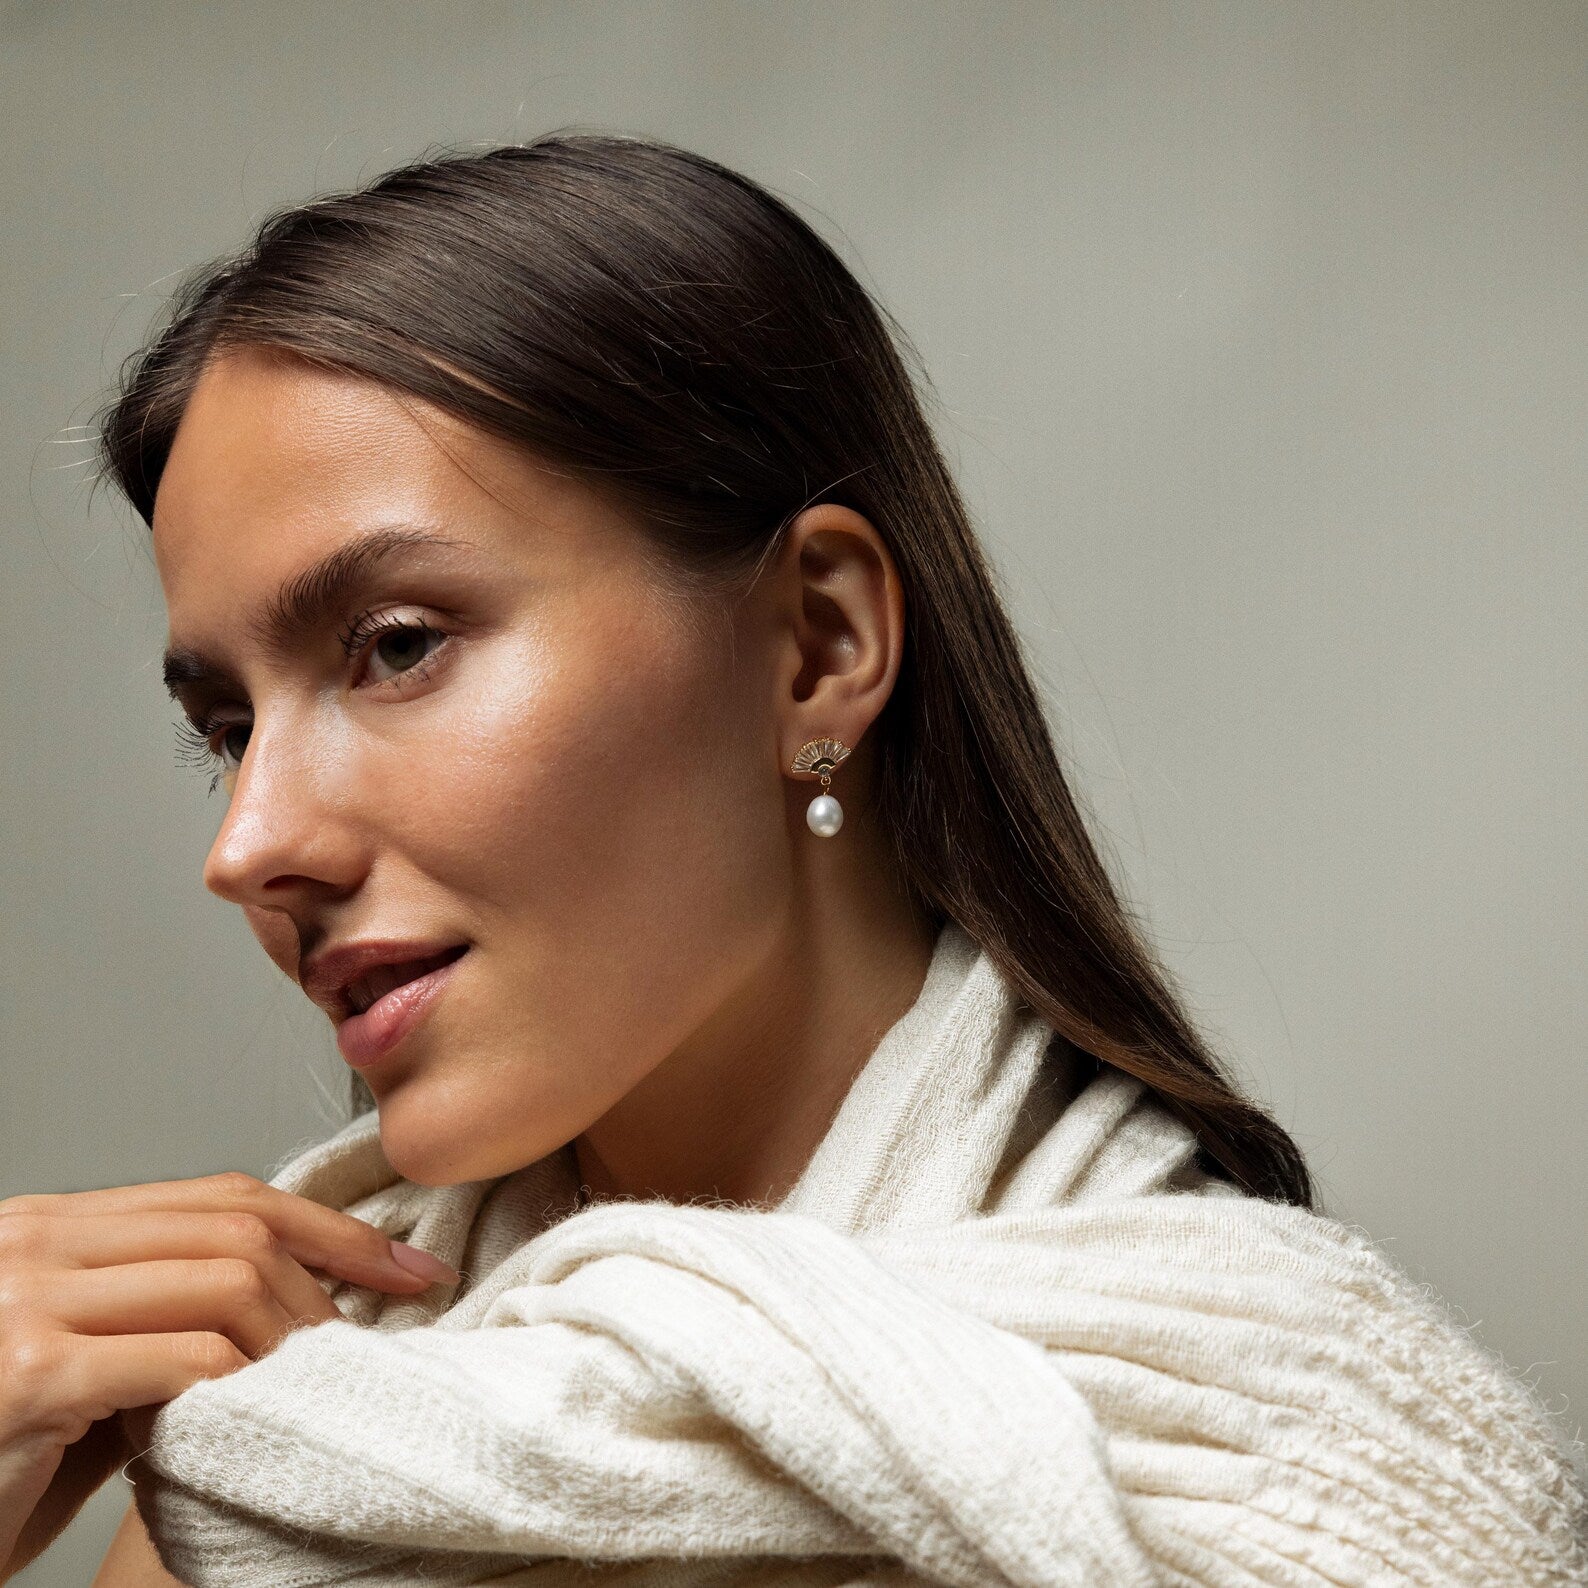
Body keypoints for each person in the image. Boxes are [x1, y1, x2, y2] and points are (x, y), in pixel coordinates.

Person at [2, 132, 1582, 1587]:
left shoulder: (1299, 1473)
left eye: (397, 645)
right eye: (226, 729)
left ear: (817, 645)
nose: (250, 845)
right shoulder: (292, 1452)